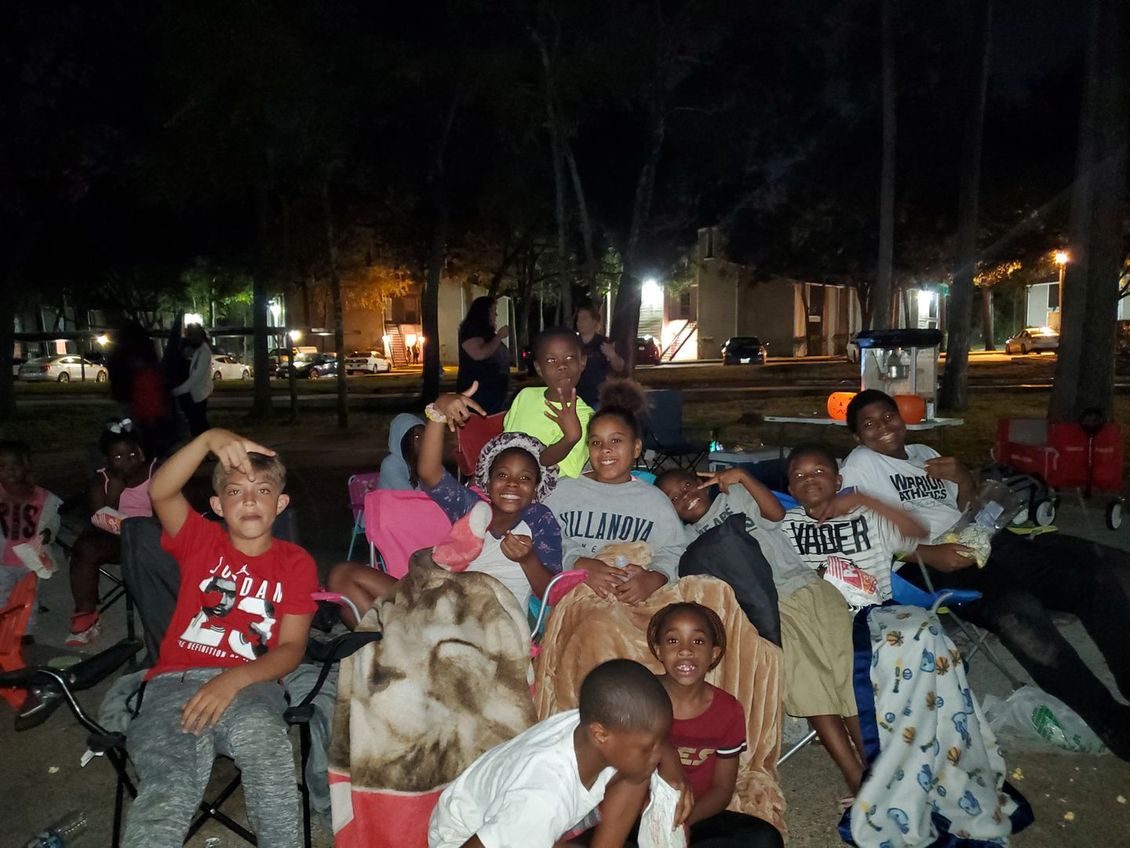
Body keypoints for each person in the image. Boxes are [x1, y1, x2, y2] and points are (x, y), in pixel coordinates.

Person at [840, 388, 1130, 760]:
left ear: (901, 417)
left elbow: (969, 509)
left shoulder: (925, 455)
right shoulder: (860, 464)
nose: (882, 427)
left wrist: (963, 480)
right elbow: (853, 531)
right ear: (856, 436)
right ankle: (1113, 725)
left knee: (1095, 578)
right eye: (868, 424)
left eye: (888, 416)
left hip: (984, 540)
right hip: (930, 566)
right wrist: (930, 554)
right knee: (1018, 611)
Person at [122, 429, 317, 847]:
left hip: (251, 684)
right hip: (175, 684)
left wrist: (231, 680)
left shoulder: (295, 562)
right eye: (235, 491)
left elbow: (291, 648)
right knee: (168, 782)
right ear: (217, 506)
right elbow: (162, 490)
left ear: (280, 504)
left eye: (262, 490)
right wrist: (208, 439)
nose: (249, 500)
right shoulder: (200, 541)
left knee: (268, 749)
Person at [656, 465, 864, 796]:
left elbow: (775, 512)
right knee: (808, 684)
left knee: (847, 676)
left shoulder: (735, 496)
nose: (685, 496)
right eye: (673, 499)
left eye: (686, 486)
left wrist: (741, 476)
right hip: (772, 608)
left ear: (702, 481)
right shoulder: (687, 542)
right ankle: (855, 775)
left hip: (809, 588)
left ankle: (876, 768)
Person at [328, 383, 562, 622]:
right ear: (488, 482)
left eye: (524, 478)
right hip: (445, 604)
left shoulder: (540, 518)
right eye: (502, 475)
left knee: (355, 614)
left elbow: (552, 594)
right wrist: (438, 414)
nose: (512, 483)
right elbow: (429, 473)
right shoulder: (472, 509)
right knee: (342, 575)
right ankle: (407, 646)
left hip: (493, 623)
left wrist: (528, 559)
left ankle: (401, 646)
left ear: (536, 488)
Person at [428, 658, 677, 848]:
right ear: (601, 734)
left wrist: (676, 771)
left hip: (507, 817)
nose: (657, 755)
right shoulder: (542, 798)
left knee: (637, 771)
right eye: (649, 747)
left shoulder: (596, 727)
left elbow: (651, 744)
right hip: (463, 837)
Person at [646, 603, 784, 848]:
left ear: (713, 652)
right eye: (673, 641)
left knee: (765, 840)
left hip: (696, 815)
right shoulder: (639, 696)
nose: (685, 650)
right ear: (658, 650)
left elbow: (722, 788)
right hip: (638, 812)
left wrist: (684, 823)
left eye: (698, 642)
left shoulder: (728, 711)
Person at [543, 380, 686, 605]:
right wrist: (580, 563)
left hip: (635, 599)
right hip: (579, 599)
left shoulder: (653, 501)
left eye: (616, 440)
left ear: (637, 448)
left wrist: (653, 578)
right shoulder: (563, 491)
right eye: (596, 442)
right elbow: (544, 537)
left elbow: (674, 548)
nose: (605, 449)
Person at [65, 420, 157, 647]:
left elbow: (169, 510)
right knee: (85, 547)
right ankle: (86, 616)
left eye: (132, 454)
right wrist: (113, 496)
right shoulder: (103, 480)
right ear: (107, 459)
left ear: (141, 452)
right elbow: (99, 521)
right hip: (118, 540)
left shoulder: (157, 470)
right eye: (117, 457)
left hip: (154, 538)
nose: (127, 462)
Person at [504, 327, 594, 478]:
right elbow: (505, 444)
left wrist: (570, 438)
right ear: (539, 368)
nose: (562, 365)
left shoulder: (586, 417)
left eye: (570, 357)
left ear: (582, 362)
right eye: (551, 360)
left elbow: (554, 469)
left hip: (552, 491)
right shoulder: (525, 396)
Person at [0, 440, 61, 640]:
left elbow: (53, 519)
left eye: (14, 466)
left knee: (29, 598)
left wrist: (49, 533)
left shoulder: (41, 496)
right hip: (2, 560)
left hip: (30, 559)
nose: (9, 471)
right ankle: (4, 630)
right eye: (2, 466)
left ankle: (25, 633)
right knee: (2, 597)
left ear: (25, 465)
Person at [456, 296, 511, 415]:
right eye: (493, 311)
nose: (496, 315)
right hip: (480, 393)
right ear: (483, 312)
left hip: (494, 391)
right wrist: (499, 336)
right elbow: (478, 354)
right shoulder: (470, 330)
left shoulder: (487, 333)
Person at [574, 305, 624, 409]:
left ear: (594, 321)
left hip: (598, 398)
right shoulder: (572, 343)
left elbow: (620, 367)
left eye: (584, 318)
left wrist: (612, 355)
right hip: (576, 398)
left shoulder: (603, 343)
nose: (579, 322)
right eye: (578, 318)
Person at [171, 323, 214, 437]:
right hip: (196, 393)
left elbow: (195, 377)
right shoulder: (197, 350)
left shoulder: (203, 352)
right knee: (198, 425)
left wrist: (176, 391)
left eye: (192, 335)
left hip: (199, 393)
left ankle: (206, 449)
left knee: (199, 425)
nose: (190, 338)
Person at [378, 413, 425, 490]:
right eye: (417, 436)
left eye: (425, 436)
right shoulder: (390, 464)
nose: (423, 441)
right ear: (402, 439)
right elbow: (407, 495)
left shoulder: (418, 460)